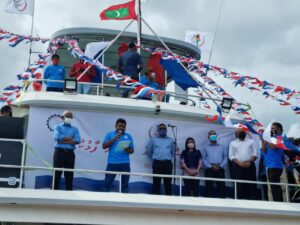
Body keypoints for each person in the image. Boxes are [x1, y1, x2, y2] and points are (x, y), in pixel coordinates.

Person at [102, 118, 134, 193]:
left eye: (123, 126)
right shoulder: (110, 134)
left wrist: (126, 148)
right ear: (116, 126)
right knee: (107, 184)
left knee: (124, 185)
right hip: (112, 163)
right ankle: (104, 201)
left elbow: (132, 151)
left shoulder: (128, 136)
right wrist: (115, 138)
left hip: (125, 164)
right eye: (120, 126)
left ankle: (124, 203)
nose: (121, 128)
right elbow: (104, 146)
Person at [53, 111, 81, 190]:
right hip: (59, 152)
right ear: (62, 117)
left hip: (70, 154)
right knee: (56, 173)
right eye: (68, 117)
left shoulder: (75, 129)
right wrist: (72, 139)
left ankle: (69, 194)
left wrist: (63, 140)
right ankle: (53, 193)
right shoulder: (57, 127)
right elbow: (57, 137)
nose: (69, 119)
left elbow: (78, 140)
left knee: (69, 175)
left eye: (71, 117)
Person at [147, 123, 175, 195]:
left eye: (164, 129)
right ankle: (155, 204)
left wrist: (166, 158)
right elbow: (149, 152)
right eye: (161, 129)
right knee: (156, 184)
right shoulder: (153, 140)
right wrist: (156, 158)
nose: (162, 130)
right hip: (157, 164)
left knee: (168, 184)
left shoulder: (171, 140)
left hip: (168, 164)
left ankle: (169, 202)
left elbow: (173, 152)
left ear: (166, 130)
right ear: (158, 130)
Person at [229, 129, 257, 200]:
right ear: (236, 134)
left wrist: (250, 162)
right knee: (239, 186)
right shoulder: (233, 143)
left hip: (250, 166)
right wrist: (240, 163)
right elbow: (231, 156)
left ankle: (253, 202)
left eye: (242, 131)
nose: (241, 132)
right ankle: (239, 203)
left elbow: (255, 154)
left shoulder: (251, 141)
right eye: (239, 131)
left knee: (251, 186)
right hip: (238, 166)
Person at [262, 122, 285, 202]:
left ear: (278, 130)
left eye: (273, 128)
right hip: (270, 166)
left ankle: (279, 203)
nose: (271, 130)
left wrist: (267, 137)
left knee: (275, 187)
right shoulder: (271, 139)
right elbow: (265, 150)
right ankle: (276, 202)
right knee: (272, 187)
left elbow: (273, 147)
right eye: (270, 128)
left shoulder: (280, 138)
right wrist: (262, 139)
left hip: (276, 166)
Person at [202, 130, 227, 198]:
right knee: (208, 188)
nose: (213, 135)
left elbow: (225, 157)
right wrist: (210, 166)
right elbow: (203, 159)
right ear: (208, 137)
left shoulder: (222, 146)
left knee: (222, 188)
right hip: (209, 169)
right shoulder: (205, 147)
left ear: (216, 135)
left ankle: (223, 204)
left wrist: (220, 166)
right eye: (211, 134)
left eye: (214, 134)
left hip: (220, 169)